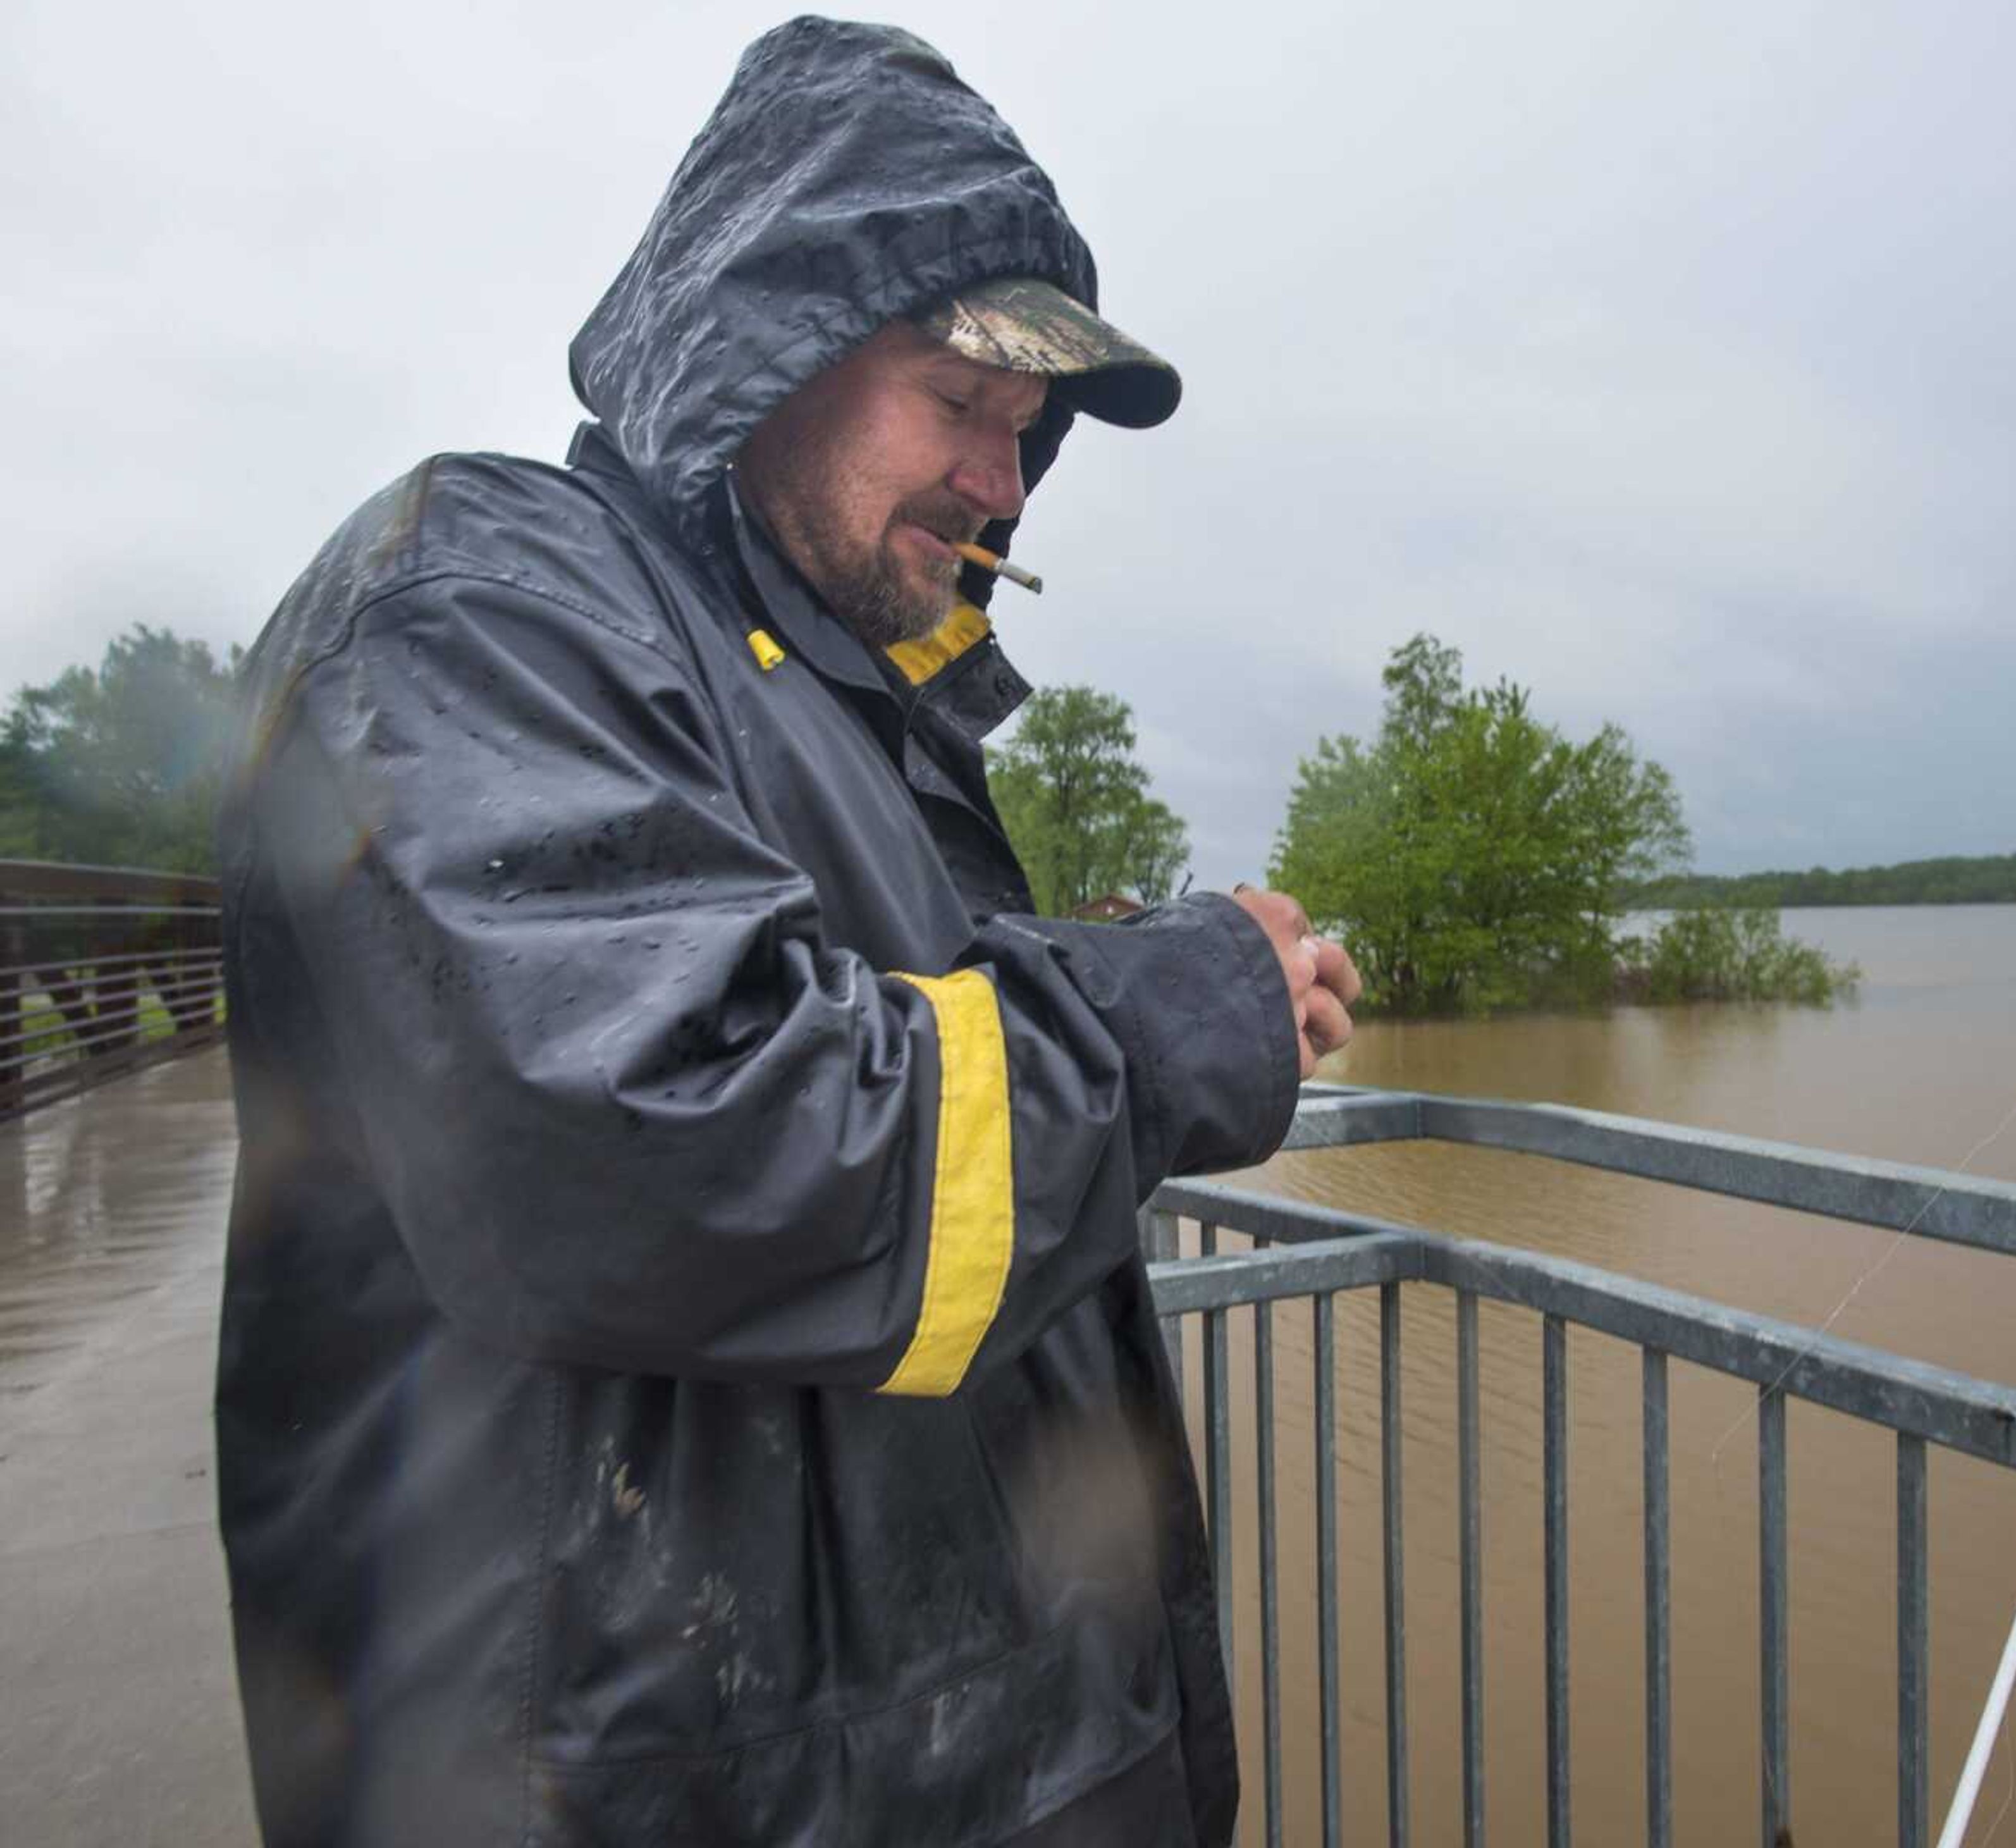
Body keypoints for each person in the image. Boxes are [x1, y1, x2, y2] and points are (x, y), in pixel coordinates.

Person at [213, 18, 1358, 1847]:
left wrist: (1187, 988)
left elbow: (922, 1052)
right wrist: (1165, 1020)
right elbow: (668, 1132)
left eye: (1030, 430)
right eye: (963, 398)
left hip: (963, 1768)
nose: (1005, 480)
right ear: (771, 344)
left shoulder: (855, 718)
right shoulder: (471, 602)